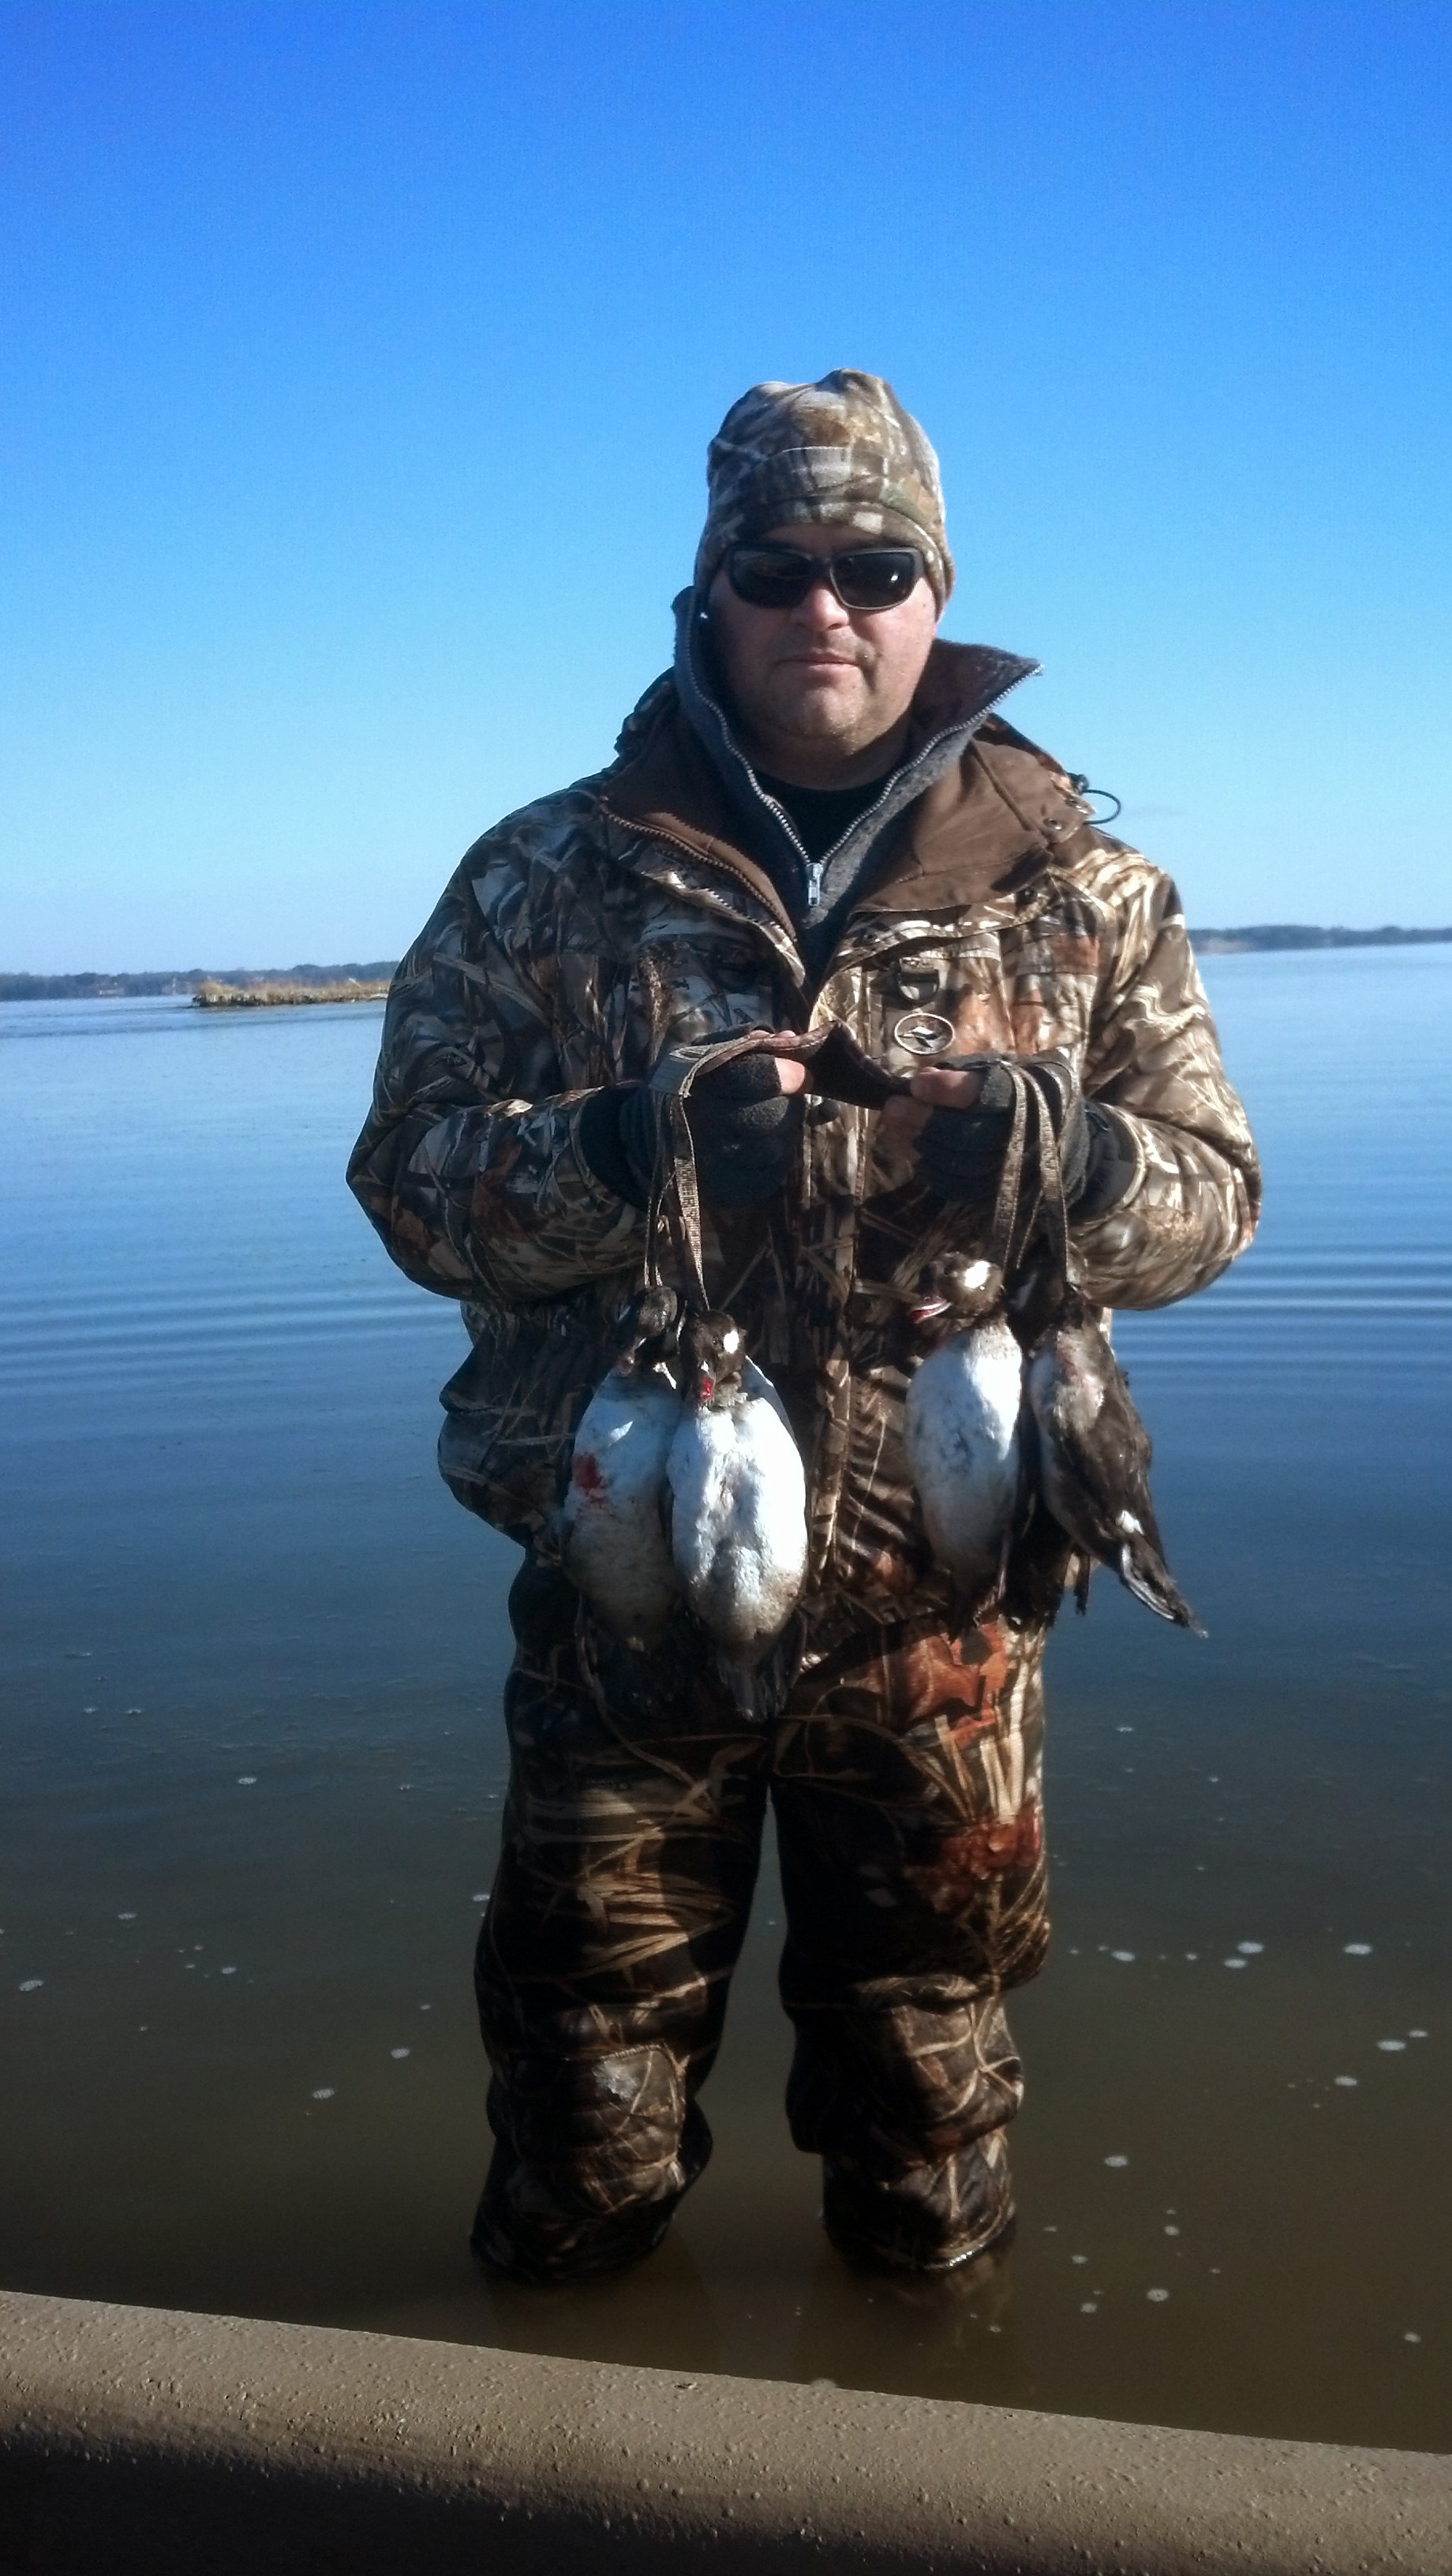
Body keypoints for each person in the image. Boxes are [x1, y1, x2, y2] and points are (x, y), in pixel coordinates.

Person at [348, 369, 1259, 2282]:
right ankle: (528, 2473)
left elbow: (1210, 1207)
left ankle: (920, 2448)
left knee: (927, 2137)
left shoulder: (1082, 892)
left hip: (942, 1633)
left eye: (875, 564)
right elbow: (411, 1188)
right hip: (622, 1617)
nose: (824, 604)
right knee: (578, 2111)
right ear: (710, 597)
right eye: (778, 565)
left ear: (939, 595)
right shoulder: (548, 875)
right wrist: (618, 1145)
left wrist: (1071, 1166)